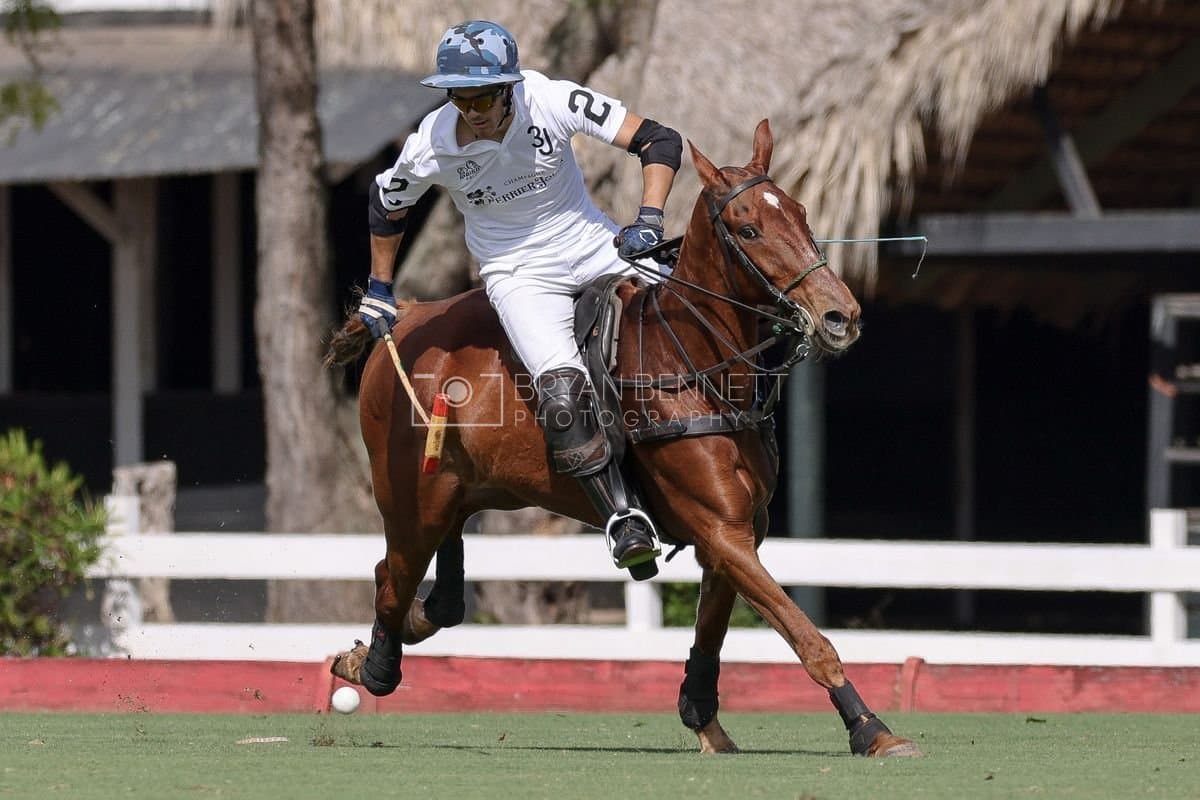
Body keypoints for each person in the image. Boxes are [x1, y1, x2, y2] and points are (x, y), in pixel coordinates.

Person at [356, 20, 682, 576]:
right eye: (461, 97)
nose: (474, 110)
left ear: (510, 86)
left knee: (691, 314)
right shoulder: (432, 143)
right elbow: (387, 204)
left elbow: (659, 140)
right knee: (559, 388)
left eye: (485, 95)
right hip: (517, 274)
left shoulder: (551, 99)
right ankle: (622, 519)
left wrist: (649, 220)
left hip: (593, 243)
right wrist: (380, 288)